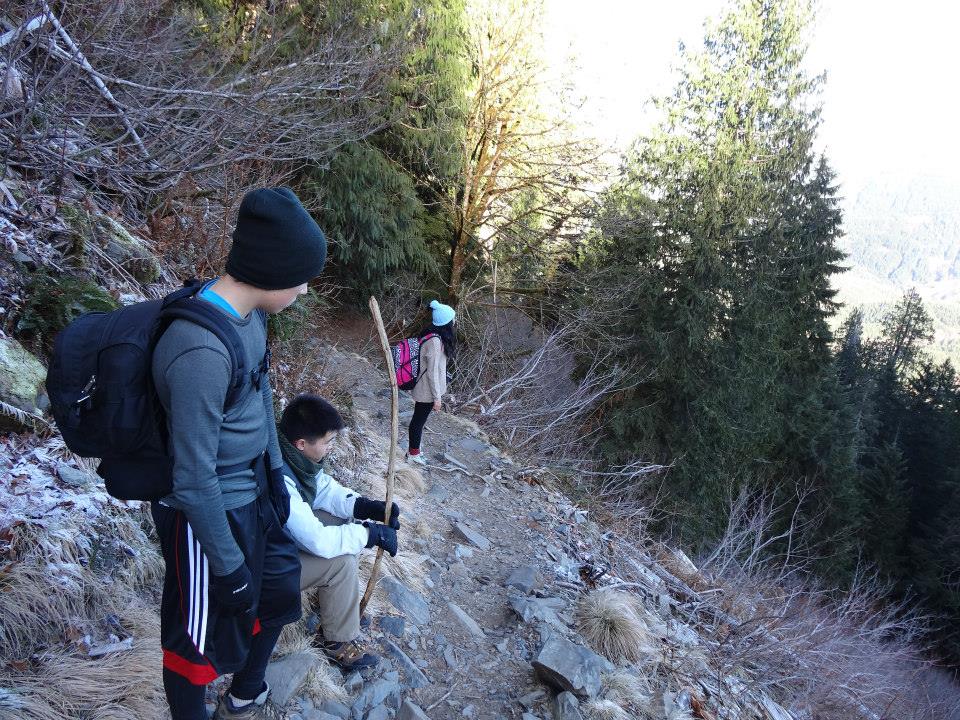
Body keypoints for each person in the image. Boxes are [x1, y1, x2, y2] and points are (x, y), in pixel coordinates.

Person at [151, 187, 325, 720]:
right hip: (207, 517)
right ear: (271, 272)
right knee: (195, 642)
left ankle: (248, 688)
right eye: (299, 278)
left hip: (253, 494)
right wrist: (227, 569)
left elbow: (260, 397)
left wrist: (276, 475)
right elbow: (193, 479)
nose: (302, 289)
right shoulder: (198, 350)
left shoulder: (251, 318)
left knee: (275, 595)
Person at [276, 393, 400, 671]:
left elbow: (324, 489)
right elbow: (319, 541)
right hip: (263, 572)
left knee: (337, 521)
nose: (332, 447)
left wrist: (363, 507)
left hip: (275, 546)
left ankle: (337, 609)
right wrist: (370, 535)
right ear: (302, 444)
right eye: (328, 441)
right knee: (341, 562)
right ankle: (337, 642)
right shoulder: (280, 480)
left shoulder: (290, 456)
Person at [406, 300, 456, 465]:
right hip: (427, 391)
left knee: (418, 420)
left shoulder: (433, 336)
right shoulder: (435, 342)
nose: (454, 322)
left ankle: (415, 450)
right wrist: (437, 398)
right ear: (446, 323)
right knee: (418, 422)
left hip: (426, 388)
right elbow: (432, 372)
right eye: (452, 319)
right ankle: (413, 454)